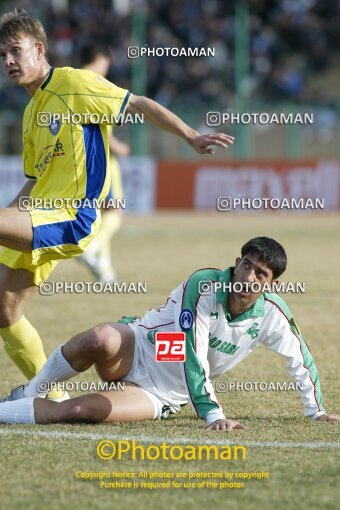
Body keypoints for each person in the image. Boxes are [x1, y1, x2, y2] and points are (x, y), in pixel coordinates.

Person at [0, 9, 234, 400]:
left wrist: (191, 136)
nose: (7, 60)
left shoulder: (74, 82)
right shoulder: (30, 114)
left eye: (14, 50)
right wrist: (7, 219)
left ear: (39, 50)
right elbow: (33, 180)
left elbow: (139, 104)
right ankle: (48, 397)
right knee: (6, 315)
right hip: (38, 216)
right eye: (2, 54)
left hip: (73, 217)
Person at [1, 237, 339, 429]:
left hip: (160, 393)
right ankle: (33, 390)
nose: (249, 277)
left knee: (77, 412)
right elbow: (191, 352)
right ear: (236, 262)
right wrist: (213, 414)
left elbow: (302, 360)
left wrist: (316, 410)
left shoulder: (273, 315)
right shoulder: (204, 285)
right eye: (246, 265)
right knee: (99, 338)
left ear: (272, 285)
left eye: (260, 273)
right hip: (135, 349)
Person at [77, 44, 130, 283]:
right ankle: (92, 246)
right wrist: (119, 148)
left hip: (80, 158)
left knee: (99, 212)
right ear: (99, 57)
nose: (108, 67)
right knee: (115, 213)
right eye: (107, 61)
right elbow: (100, 129)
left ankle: (104, 268)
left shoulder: (70, 80)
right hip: (102, 159)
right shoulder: (94, 82)